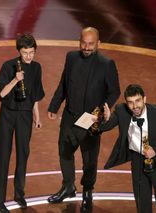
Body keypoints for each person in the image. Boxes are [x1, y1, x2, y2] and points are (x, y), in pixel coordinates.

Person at [47, 27, 120, 212]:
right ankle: (68, 186)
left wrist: (103, 109)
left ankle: (87, 192)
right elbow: (63, 83)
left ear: (98, 44)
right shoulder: (71, 57)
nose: (86, 47)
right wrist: (54, 106)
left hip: (90, 120)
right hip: (70, 116)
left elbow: (114, 91)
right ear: (79, 41)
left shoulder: (107, 64)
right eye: (83, 43)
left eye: (90, 44)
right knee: (64, 152)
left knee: (89, 160)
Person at [102, 84, 156, 213]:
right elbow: (104, 127)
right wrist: (104, 119)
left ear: (144, 99)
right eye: (130, 102)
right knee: (142, 205)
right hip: (137, 162)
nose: (135, 106)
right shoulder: (122, 111)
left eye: (138, 101)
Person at [0, 34, 45, 212]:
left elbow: (36, 95)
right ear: (19, 51)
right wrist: (15, 79)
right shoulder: (8, 66)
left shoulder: (37, 68)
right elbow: (2, 94)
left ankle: (19, 194)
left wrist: (37, 116)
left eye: (32, 52)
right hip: (8, 114)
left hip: (25, 116)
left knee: (23, 154)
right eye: (25, 52)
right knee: (3, 155)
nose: (29, 56)